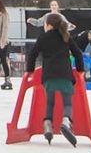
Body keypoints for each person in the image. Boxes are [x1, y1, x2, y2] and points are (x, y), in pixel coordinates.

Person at [26, 13, 82, 145]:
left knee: (49, 103)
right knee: (67, 103)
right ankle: (66, 122)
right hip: (65, 75)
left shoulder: (43, 38)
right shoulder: (66, 36)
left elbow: (33, 54)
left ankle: (47, 124)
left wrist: (30, 70)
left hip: (49, 76)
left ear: (49, 25)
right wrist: (80, 69)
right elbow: (77, 53)